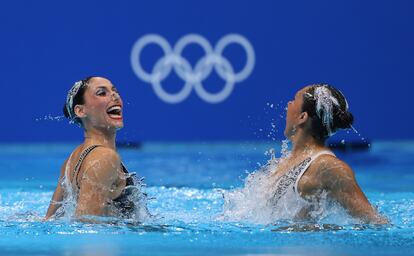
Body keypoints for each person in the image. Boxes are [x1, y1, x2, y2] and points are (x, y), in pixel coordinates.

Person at [268, 83, 388, 224]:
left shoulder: (328, 167)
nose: (289, 103)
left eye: (294, 100)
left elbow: (376, 223)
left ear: (302, 117)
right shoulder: (284, 162)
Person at [45, 76, 147, 221]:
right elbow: (86, 224)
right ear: (80, 111)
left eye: (115, 91)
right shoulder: (105, 158)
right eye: (101, 93)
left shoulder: (71, 159)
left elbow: (49, 219)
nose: (114, 95)